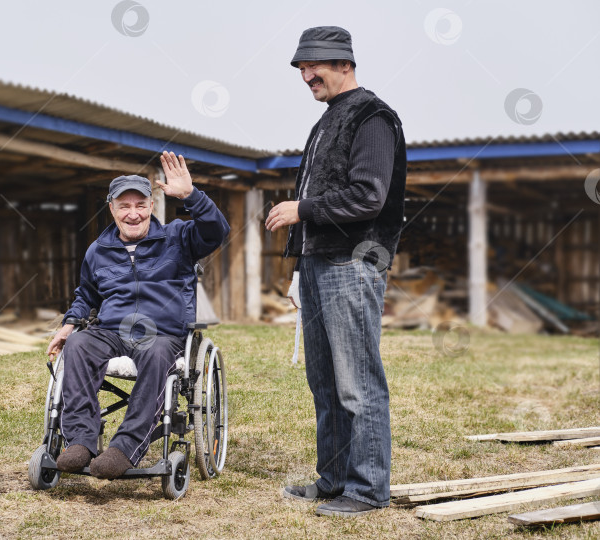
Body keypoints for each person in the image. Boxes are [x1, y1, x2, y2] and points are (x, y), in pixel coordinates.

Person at [265, 26, 407, 517]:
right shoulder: (329, 119)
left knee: (357, 382)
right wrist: (299, 266)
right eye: (301, 67)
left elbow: (369, 195)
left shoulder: (372, 117)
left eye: (314, 65)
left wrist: (300, 210)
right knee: (324, 381)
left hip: (353, 263)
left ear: (344, 63)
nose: (306, 74)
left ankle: (368, 491)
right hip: (319, 264)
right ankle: (333, 480)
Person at [46, 151, 230, 480]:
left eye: (140, 205)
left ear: (151, 206)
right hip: (113, 331)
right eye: (125, 206)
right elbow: (86, 294)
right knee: (78, 346)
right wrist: (69, 324)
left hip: (161, 334)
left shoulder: (178, 237)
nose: (133, 214)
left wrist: (191, 196)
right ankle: (80, 441)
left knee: (157, 352)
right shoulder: (97, 251)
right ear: (112, 209)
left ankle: (125, 447)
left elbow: (217, 231)